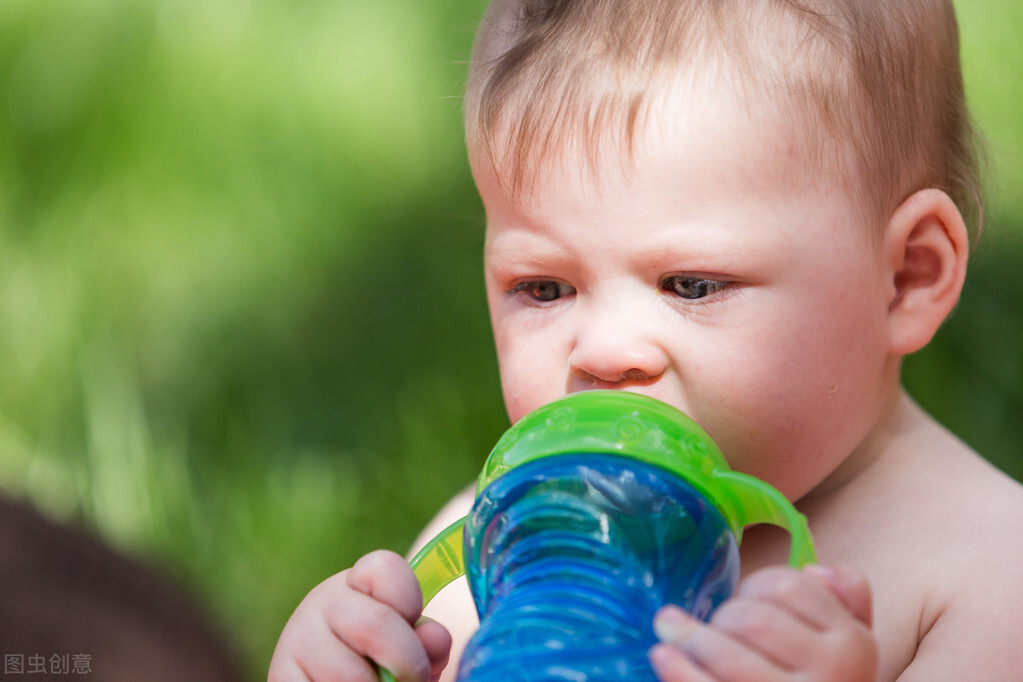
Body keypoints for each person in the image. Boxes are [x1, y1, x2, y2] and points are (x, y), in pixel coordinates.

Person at [269, 1, 1023, 680]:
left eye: (690, 285)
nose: (602, 351)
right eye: (544, 288)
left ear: (905, 277)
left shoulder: (986, 577)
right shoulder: (508, 539)